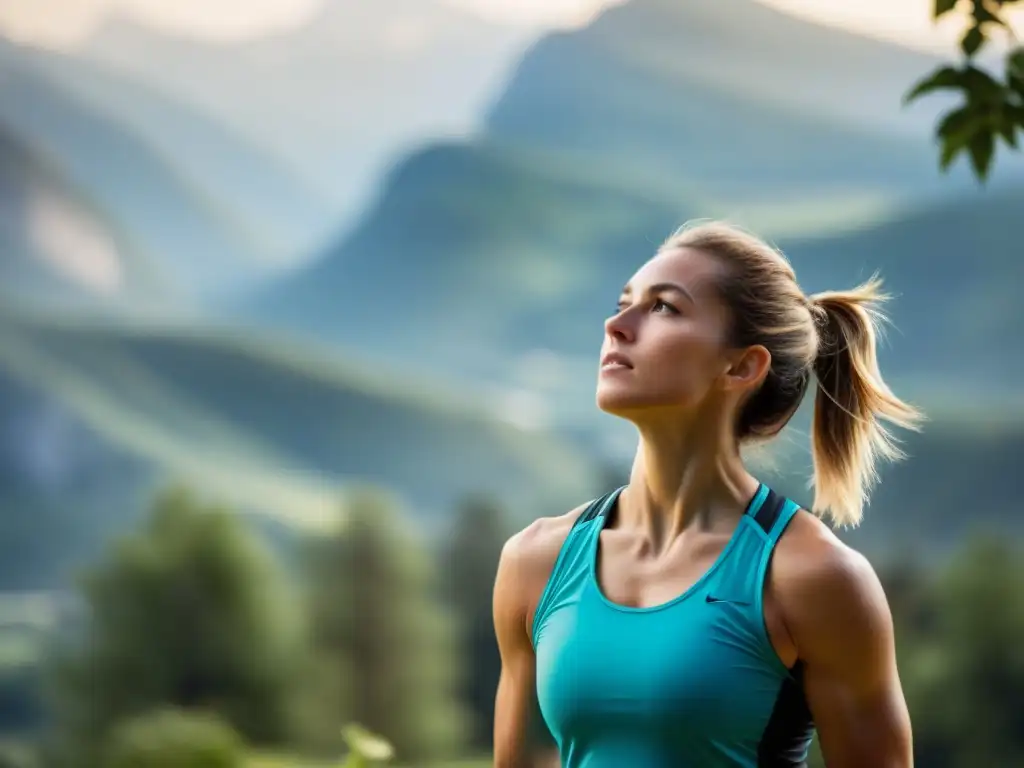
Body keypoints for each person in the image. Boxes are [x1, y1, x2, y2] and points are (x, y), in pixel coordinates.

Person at [492, 221, 924, 768]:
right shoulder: (535, 561)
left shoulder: (813, 578)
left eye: (664, 308)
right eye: (625, 302)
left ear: (741, 365)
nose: (617, 325)